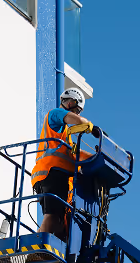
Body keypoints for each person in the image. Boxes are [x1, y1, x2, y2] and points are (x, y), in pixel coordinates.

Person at [31, 87, 93, 238]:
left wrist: (95, 157)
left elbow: (75, 154)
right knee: (52, 215)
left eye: (79, 111)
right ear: (68, 102)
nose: (76, 113)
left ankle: (48, 251)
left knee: (58, 220)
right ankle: (38, 249)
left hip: (50, 175)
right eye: (75, 108)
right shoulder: (55, 114)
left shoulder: (65, 135)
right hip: (51, 172)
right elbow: (78, 121)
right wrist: (89, 126)